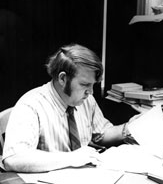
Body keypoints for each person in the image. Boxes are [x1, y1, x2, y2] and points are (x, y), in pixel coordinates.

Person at [2, 43, 133, 173]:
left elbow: (100, 134)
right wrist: (72, 158)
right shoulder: (31, 105)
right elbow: (13, 159)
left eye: (92, 85)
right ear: (63, 79)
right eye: (84, 84)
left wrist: (128, 129)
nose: (91, 92)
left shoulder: (86, 100)